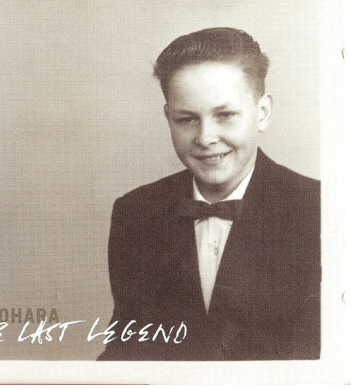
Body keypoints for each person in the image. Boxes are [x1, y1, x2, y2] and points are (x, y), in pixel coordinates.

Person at [98, 28, 320, 361]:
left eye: (225, 115)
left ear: (262, 113)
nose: (205, 138)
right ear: (169, 118)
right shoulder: (136, 213)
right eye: (186, 119)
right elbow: (125, 352)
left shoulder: (320, 209)